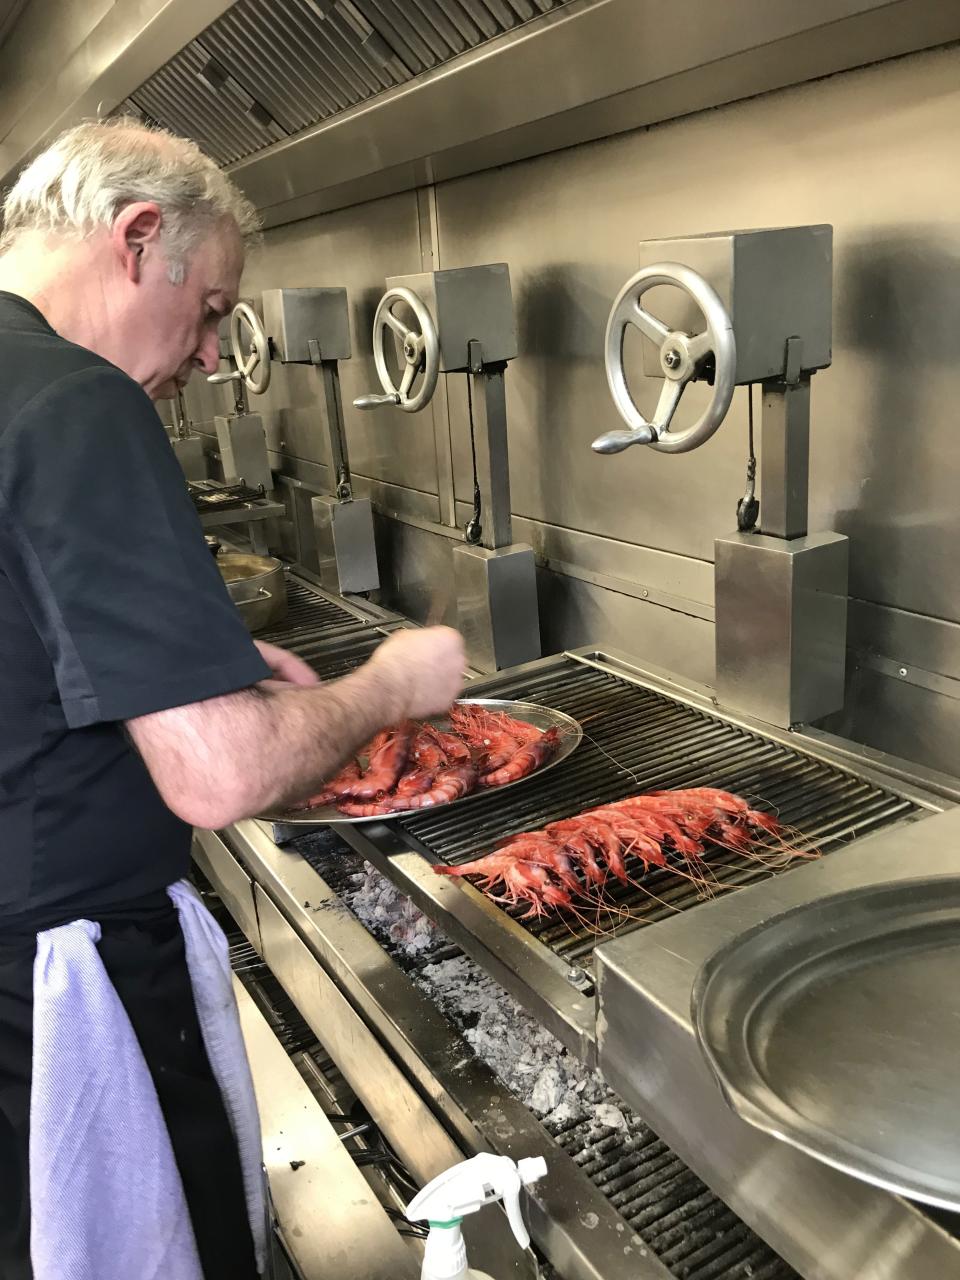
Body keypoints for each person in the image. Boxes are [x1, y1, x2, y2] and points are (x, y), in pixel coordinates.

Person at [0, 120, 465, 1280]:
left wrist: (185, 681)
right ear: (139, 237)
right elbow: (221, 777)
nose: (214, 355)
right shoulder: (72, 400)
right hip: (67, 986)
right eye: (211, 309)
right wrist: (391, 684)